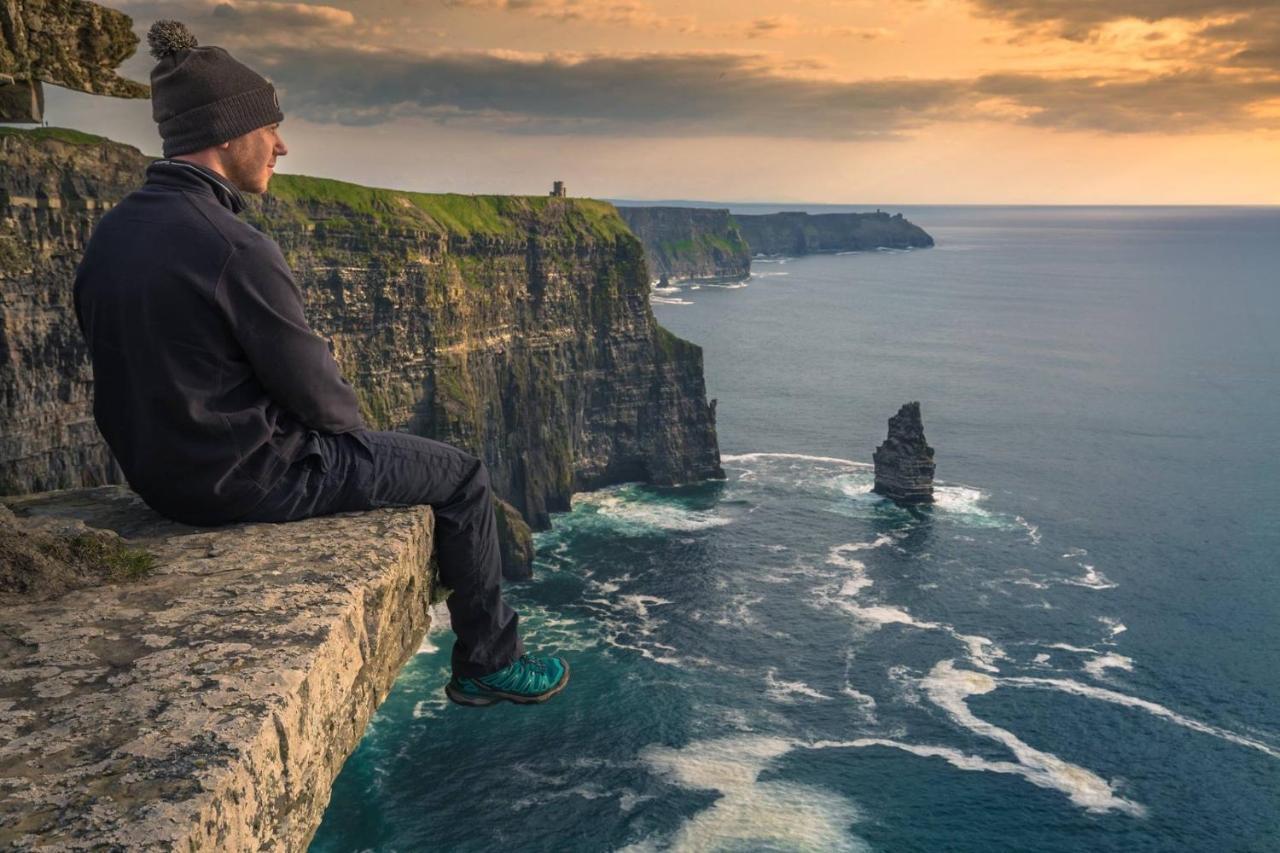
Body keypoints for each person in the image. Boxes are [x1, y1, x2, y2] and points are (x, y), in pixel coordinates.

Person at [71, 20, 567, 707]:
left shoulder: (115, 231)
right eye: (268, 127)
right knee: (461, 476)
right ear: (226, 134)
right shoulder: (232, 246)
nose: (281, 144)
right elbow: (323, 400)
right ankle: (488, 658)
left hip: (162, 479)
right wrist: (354, 445)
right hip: (249, 481)